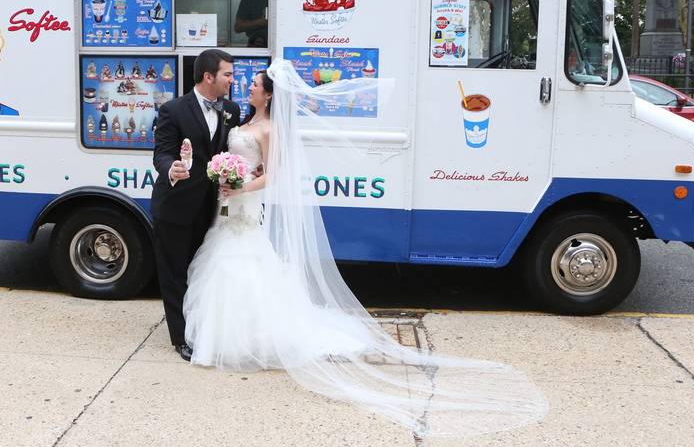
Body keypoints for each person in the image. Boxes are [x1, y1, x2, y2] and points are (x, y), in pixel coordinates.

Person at [181, 60, 548, 438]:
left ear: (269, 94)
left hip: (245, 204)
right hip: (229, 207)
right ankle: (230, 333)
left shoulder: (271, 129)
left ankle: (248, 337)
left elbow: (275, 175)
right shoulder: (238, 119)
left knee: (246, 264)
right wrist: (226, 175)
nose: (248, 89)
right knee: (226, 261)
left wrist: (242, 187)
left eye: (255, 85)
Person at [150, 49, 240, 362]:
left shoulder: (232, 109)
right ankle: (181, 338)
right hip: (175, 205)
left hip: (211, 208)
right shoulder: (174, 110)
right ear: (208, 76)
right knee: (174, 273)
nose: (231, 80)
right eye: (227, 74)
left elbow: (231, 152)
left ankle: (202, 326)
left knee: (201, 271)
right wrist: (170, 167)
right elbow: (160, 152)